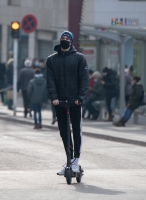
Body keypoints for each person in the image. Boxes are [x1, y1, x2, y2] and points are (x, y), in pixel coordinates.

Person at [46, 31, 88, 175]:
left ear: (71, 41)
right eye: (62, 38)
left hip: (75, 101)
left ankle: (76, 160)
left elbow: (84, 80)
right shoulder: (51, 60)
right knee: (64, 132)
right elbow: (50, 81)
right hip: (60, 101)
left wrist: (80, 97)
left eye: (67, 39)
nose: (64, 40)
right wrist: (54, 97)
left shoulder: (79, 58)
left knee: (76, 130)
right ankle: (69, 160)